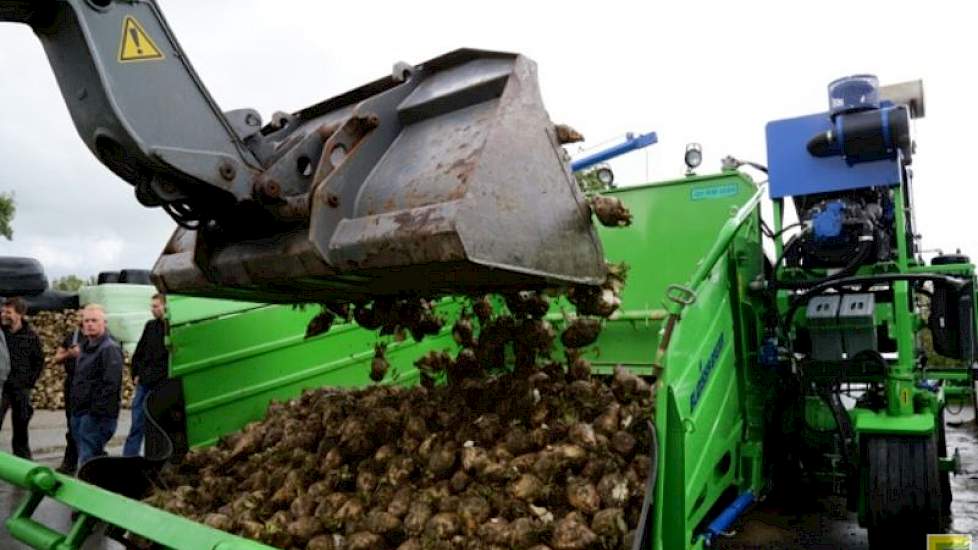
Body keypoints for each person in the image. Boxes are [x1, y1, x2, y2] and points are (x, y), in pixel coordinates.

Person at [71, 304, 124, 467]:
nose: (89, 324)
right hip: (80, 411)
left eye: (94, 320)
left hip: (96, 415)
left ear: (104, 323)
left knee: (87, 459)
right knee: (93, 456)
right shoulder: (85, 348)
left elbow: (111, 384)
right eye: (86, 321)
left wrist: (95, 412)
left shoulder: (109, 349)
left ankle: (83, 489)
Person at [123, 293, 169, 457]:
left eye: (156, 306)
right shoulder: (150, 326)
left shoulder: (173, 330)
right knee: (137, 424)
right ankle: (129, 458)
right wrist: (135, 372)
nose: (153, 310)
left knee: (155, 426)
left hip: (160, 384)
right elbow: (140, 351)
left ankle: (153, 457)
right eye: (152, 306)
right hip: (144, 382)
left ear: (166, 306)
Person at [0, 297, 44, 459]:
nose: (3, 315)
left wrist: (28, 383)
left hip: (21, 389)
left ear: (20, 314)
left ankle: (23, 463)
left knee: (20, 429)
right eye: (2, 311)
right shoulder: (1, 335)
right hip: (2, 388)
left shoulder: (30, 337)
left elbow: (39, 361)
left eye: (8, 312)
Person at [53, 321, 83, 473]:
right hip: (72, 383)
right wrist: (69, 354)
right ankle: (70, 462)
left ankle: (89, 461)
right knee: (72, 424)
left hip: (89, 385)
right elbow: (57, 357)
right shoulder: (73, 336)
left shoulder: (103, 340)